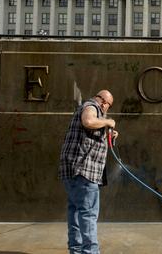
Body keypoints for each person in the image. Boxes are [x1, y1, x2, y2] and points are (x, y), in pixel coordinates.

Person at [59, 90, 119, 254]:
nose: (107, 109)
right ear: (103, 102)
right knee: (88, 214)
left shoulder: (87, 107)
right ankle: (90, 252)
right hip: (84, 171)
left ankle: (76, 251)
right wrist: (109, 121)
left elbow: (88, 131)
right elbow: (88, 121)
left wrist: (108, 133)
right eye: (108, 105)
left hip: (71, 169)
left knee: (76, 212)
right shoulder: (92, 106)